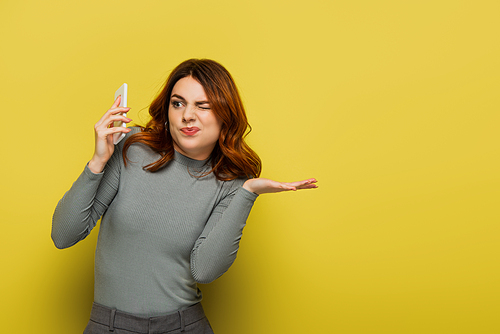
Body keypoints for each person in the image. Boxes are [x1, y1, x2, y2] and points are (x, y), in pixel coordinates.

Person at [52, 58, 318, 334]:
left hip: (182, 327)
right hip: (109, 326)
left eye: (203, 106)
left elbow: (205, 270)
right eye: (178, 103)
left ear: (225, 114)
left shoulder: (230, 184)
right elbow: (63, 235)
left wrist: (247, 193)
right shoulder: (130, 148)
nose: (187, 115)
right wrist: (97, 162)